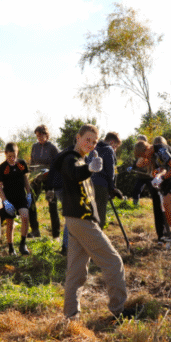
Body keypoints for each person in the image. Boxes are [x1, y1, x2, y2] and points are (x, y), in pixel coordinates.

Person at [56, 124, 133, 321]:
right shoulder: (70, 159)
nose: (90, 144)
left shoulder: (81, 159)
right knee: (113, 262)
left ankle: (71, 316)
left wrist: (88, 167)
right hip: (81, 221)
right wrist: (88, 169)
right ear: (78, 137)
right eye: (87, 139)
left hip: (77, 221)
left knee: (76, 271)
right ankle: (119, 310)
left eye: (94, 141)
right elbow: (74, 172)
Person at [134, 137, 171, 242]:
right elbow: (166, 167)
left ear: (147, 148)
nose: (145, 158)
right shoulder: (155, 152)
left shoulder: (160, 149)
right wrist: (159, 173)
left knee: (167, 203)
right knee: (165, 204)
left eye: (144, 155)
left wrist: (162, 178)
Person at [0, 142, 34, 255]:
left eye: (14, 156)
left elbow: (25, 179)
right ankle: (11, 248)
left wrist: (29, 193)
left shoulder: (21, 164)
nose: (12, 159)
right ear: (5, 154)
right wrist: (5, 201)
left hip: (21, 197)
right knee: (10, 224)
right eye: (9, 156)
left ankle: (23, 244)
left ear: (17, 154)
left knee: (25, 217)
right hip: (9, 199)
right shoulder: (2, 168)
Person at [29, 124, 61, 239]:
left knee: (52, 206)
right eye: (37, 136)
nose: (39, 138)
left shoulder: (52, 147)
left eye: (41, 135)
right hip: (37, 179)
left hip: (50, 180)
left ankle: (56, 235)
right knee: (30, 203)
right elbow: (32, 163)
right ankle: (35, 231)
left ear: (47, 135)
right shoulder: (35, 147)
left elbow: (59, 163)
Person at [90, 132, 124, 228]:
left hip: (89, 183)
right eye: (116, 146)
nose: (115, 149)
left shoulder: (93, 147)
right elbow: (110, 171)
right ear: (112, 142)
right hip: (101, 185)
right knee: (100, 215)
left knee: (91, 213)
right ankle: (97, 240)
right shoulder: (108, 149)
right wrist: (112, 188)